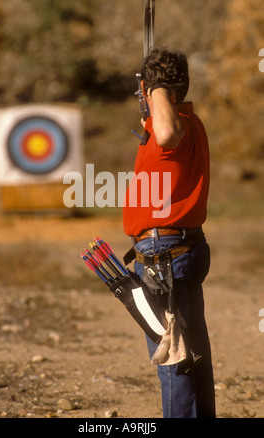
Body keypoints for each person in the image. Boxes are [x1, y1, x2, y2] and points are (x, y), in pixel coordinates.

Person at [122, 47, 216, 418]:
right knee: (191, 353)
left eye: (147, 92)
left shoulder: (174, 127)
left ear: (165, 94)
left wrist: (156, 88)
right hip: (181, 250)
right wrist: (155, 94)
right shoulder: (191, 124)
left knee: (174, 358)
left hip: (166, 255)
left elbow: (165, 133)